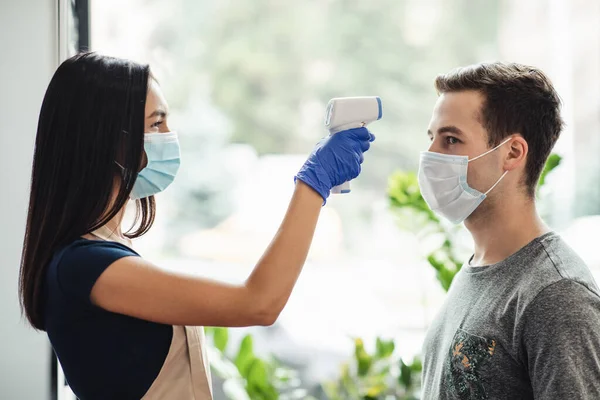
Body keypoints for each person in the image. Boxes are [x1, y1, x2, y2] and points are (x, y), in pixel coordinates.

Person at [18, 52, 375, 400]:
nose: (170, 134)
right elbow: (258, 303)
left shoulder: (94, 257)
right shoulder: (86, 266)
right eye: (156, 124)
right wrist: (314, 182)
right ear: (107, 140)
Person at [419, 62, 600, 399]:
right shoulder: (477, 269)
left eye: (451, 139)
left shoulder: (557, 294)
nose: (430, 156)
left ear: (512, 153)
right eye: (432, 138)